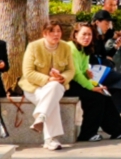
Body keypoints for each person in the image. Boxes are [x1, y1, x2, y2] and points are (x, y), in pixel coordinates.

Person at [67, 23, 121, 142]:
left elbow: (83, 70)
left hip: (76, 82)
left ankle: (117, 130)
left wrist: (91, 80)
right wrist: (92, 87)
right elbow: (76, 74)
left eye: (89, 34)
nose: (87, 37)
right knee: (96, 97)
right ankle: (87, 134)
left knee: (104, 93)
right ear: (76, 35)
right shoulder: (71, 49)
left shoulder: (84, 49)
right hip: (66, 84)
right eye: (84, 34)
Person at [20, 22, 78, 150]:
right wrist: (48, 79)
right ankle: (50, 139)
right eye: (52, 31)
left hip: (57, 85)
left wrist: (62, 77)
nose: (56, 34)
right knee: (52, 100)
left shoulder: (65, 47)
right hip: (34, 88)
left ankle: (41, 116)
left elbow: (71, 70)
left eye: (58, 31)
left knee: (54, 88)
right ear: (44, 34)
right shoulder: (33, 46)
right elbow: (28, 72)